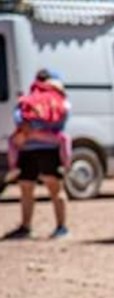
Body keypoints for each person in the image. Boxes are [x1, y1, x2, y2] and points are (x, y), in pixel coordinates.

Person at [3, 69, 71, 240]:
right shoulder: (60, 100)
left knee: (26, 188)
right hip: (49, 148)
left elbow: (19, 119)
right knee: (55, 188)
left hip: (27, 148)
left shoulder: (28, 99)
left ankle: (26, 227)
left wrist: (30, 132)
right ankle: (61, 227)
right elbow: (62, 121)